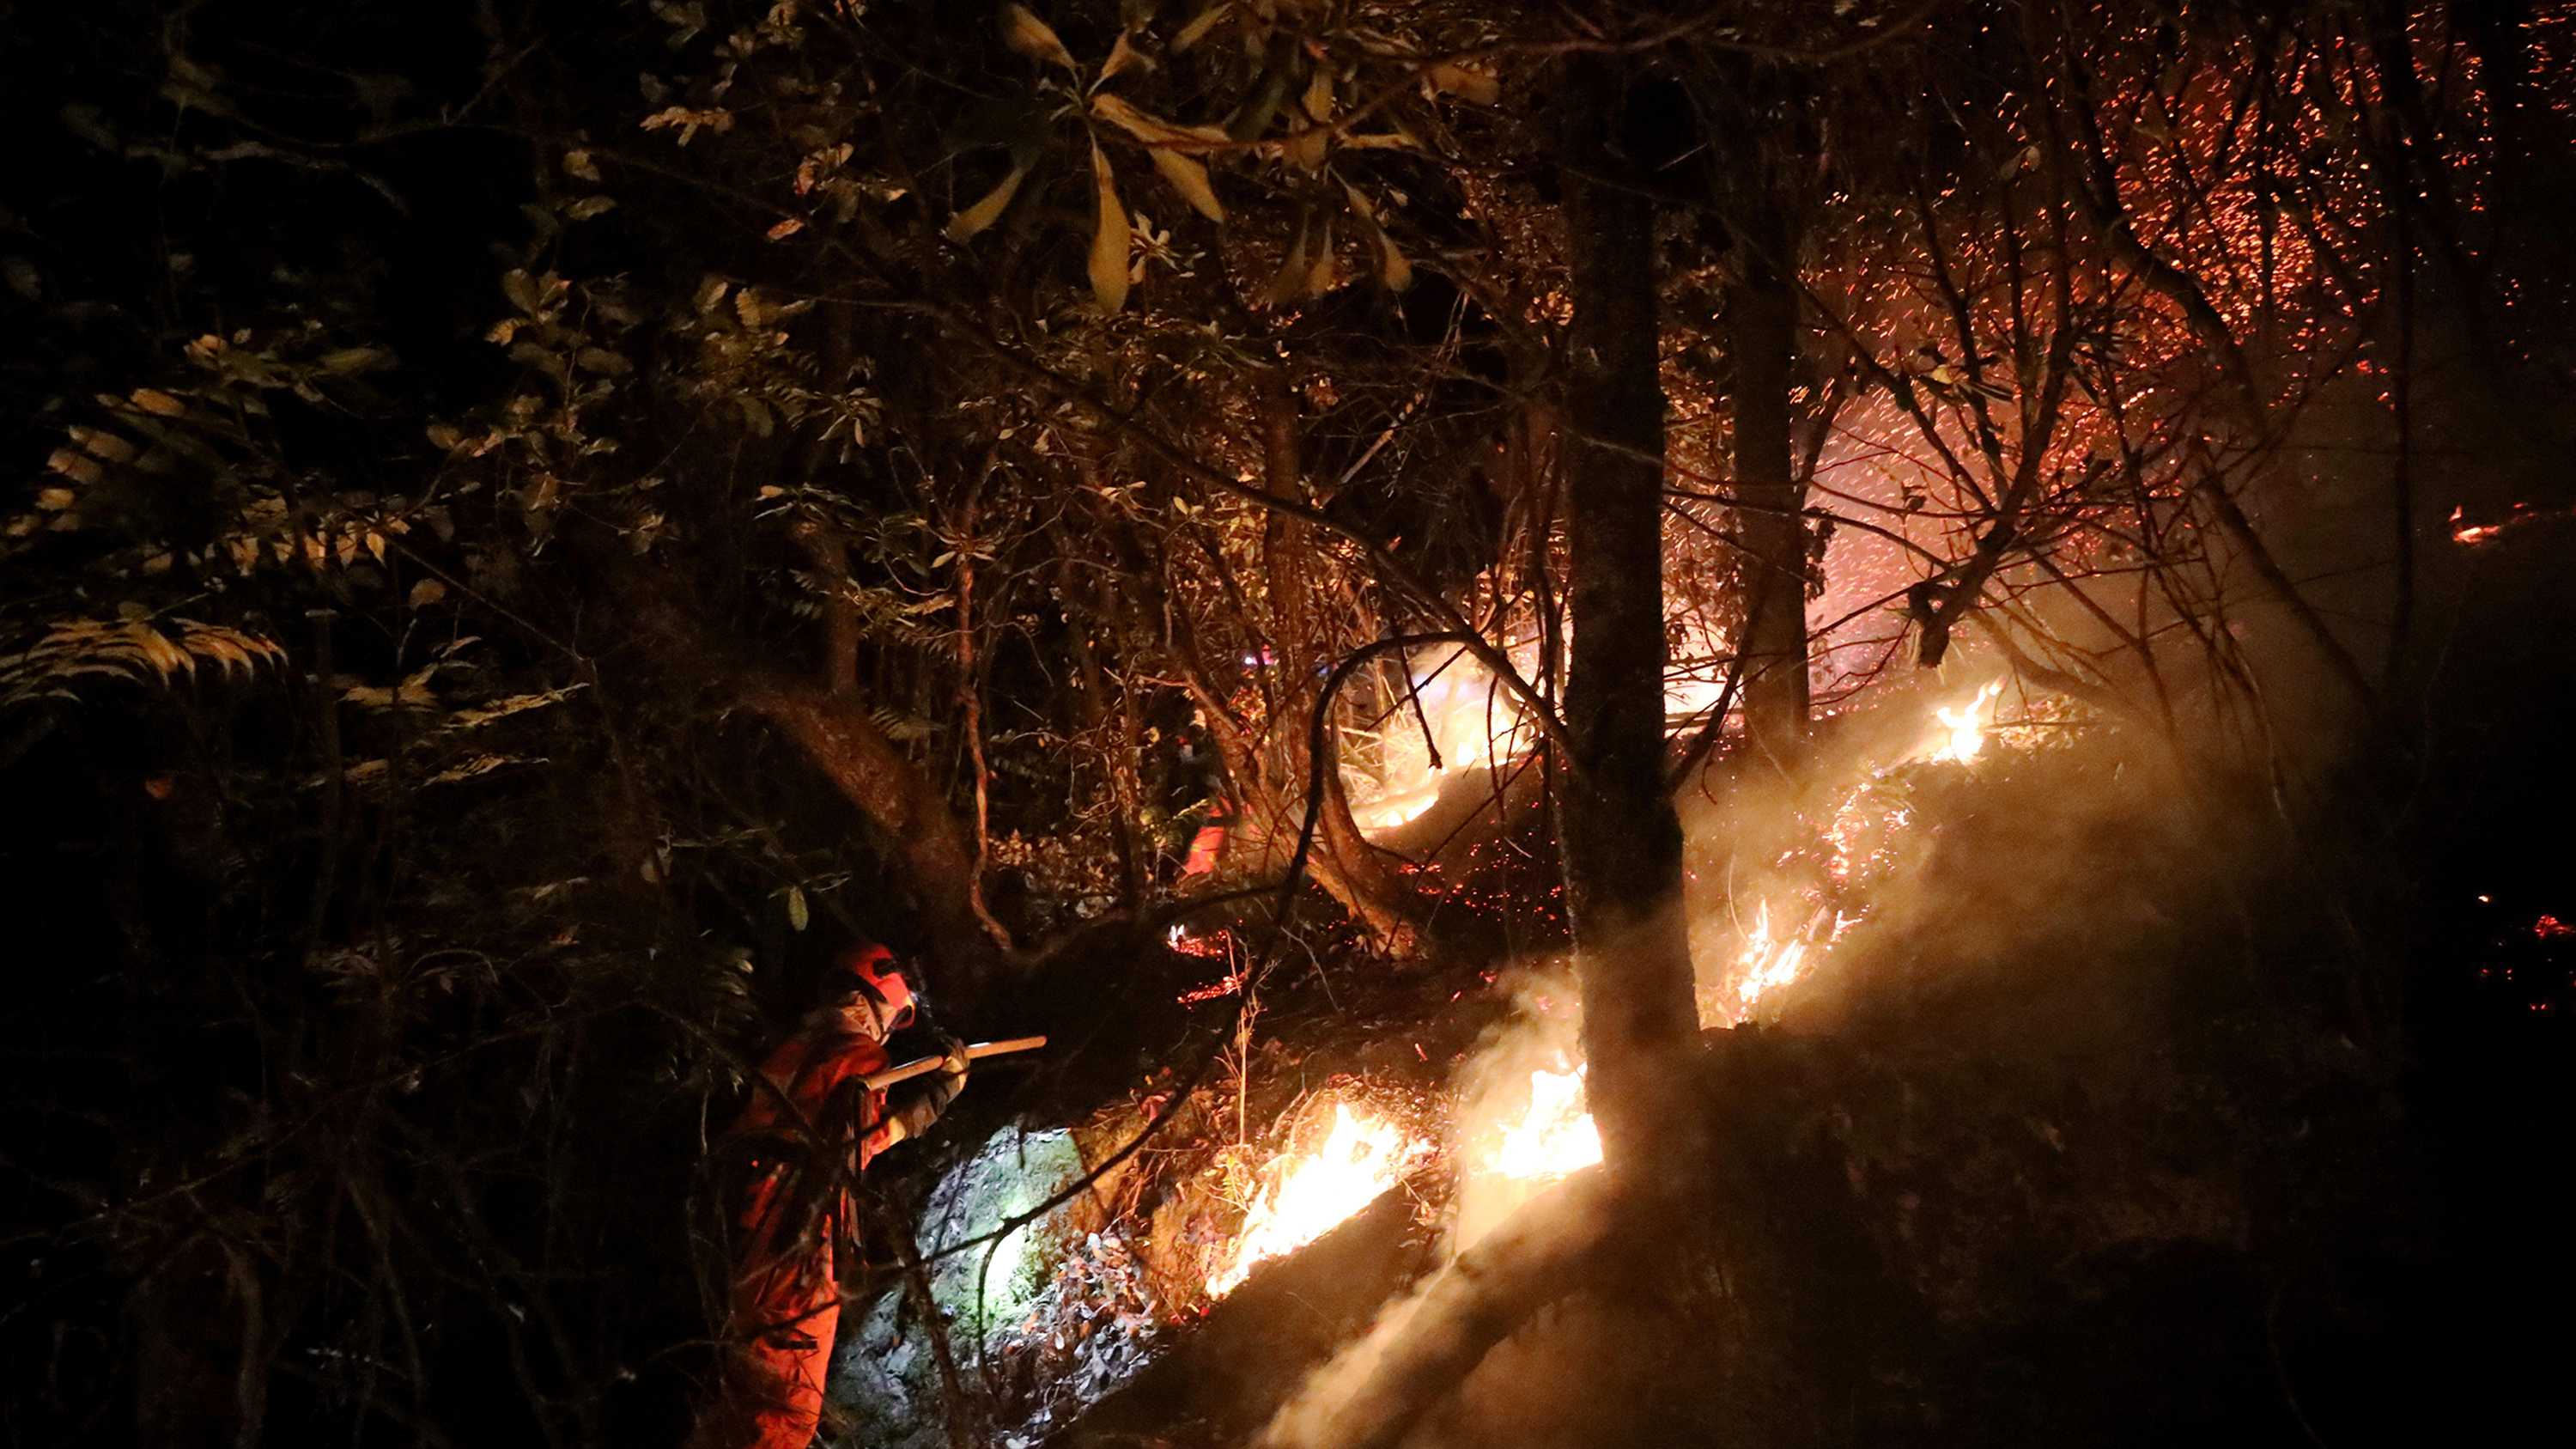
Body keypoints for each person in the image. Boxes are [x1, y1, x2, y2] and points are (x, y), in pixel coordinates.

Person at [690, 945, 968, 1449]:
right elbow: (858, 1144)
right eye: (885, 1020)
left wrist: (926, 1105)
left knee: (735, 1407)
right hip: (796, 1250)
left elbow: (830, 1134)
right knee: (782, 1416)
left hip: (742, 1243)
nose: (882, 1034)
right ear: (864, 1004)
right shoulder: (857, 1058)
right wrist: (937, 1098)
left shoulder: (789, 1056)